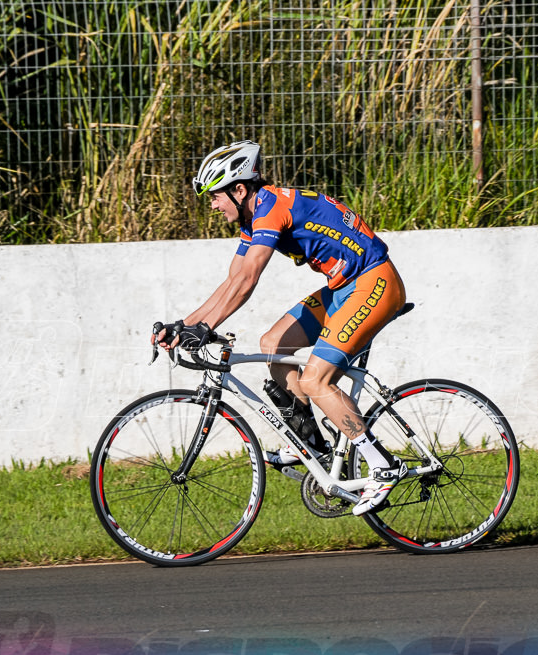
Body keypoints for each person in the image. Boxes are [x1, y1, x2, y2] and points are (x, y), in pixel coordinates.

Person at [154, 140, 408, 515]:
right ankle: (313, 444)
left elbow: (247, 283)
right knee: (273, 343)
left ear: (239, 190)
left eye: (215, 195)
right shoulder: (255, 215)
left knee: (315, 381)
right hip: (344, 287)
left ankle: (384, 465)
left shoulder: (272, 210)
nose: (212, 204)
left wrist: (206, 327)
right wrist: (185, 325)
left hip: (375, 283)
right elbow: (232, 280)